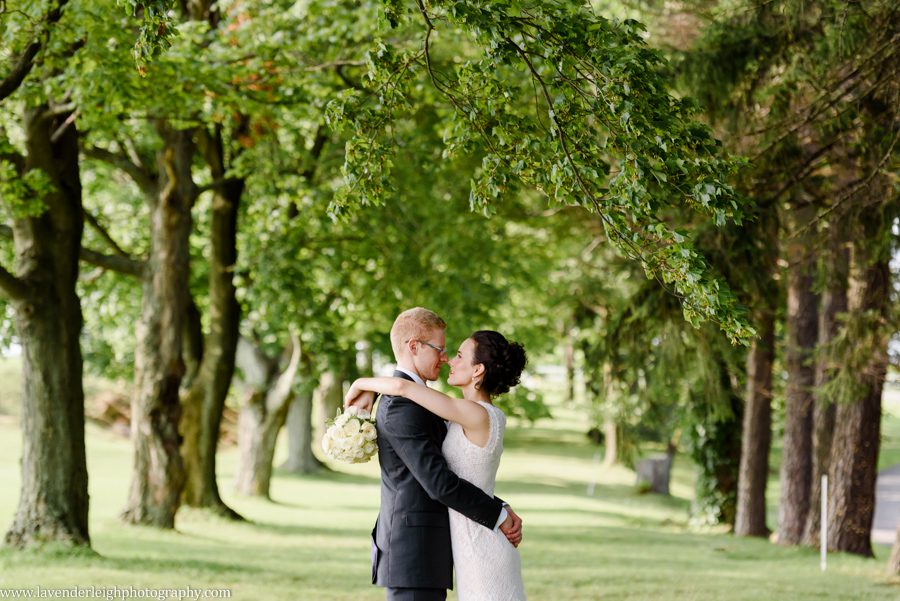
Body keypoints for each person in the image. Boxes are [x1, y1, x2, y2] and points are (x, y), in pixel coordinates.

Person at [346, 310, 527, 601]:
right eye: (442, 350)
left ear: (478, 370)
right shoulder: (402, 408)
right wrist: (499, 512)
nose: (446, 359)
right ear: (414, 346)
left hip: (456, 546)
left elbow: (457, 473)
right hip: (415, 551)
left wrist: (362, 384)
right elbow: (440, 482)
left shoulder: (456, 410)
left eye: (454, 354)